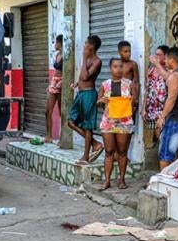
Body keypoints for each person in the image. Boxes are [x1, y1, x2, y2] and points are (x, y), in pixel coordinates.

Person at [97, 58, 134, 190]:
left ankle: (122, 180)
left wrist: (128, 103)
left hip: (124, 122)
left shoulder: (129, 84)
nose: (118, 69)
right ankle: (107, 181)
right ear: (110, 69)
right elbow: (99, 104)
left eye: (120, 66)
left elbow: (135, 102)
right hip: (108, 122)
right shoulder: (104, 85)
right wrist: (102, 100)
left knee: (122, 152)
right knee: (108, 152)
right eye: (115, 67)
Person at [68, 35, 104, 164]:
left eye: (85, 44)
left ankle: (85, 156)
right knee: (71, 122)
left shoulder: (97, 61)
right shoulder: (88, 59)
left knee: (87, 126)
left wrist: (84, 57)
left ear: (91, 47)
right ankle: (95, 143)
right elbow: (81, 78)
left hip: (89, 95)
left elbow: (85, 76)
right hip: (81, 94)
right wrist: (77, 83)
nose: (83, 46)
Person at [142, 45, 169, 135]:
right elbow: (147, 89)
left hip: (164, 109)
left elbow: (168, 78)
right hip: (152, 109)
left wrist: (156, 63)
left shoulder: (169, 70)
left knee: (162, 134)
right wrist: (143, 108)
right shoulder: (151, 70)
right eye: (155, 55)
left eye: (159, 55)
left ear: (166, 57)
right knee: (157, 134)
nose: (156, 57)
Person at [45, 35, 63, 143]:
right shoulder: (57, 55)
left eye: (56, 42)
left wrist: (63, 81)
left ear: (60, 43)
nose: (55, 44)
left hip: (62, 82)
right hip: (54, 81)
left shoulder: (67, 55)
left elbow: (69, 71)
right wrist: (51, 83)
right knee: (47, 111)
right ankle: (49, 136)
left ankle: (63, 137)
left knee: (62, 112)